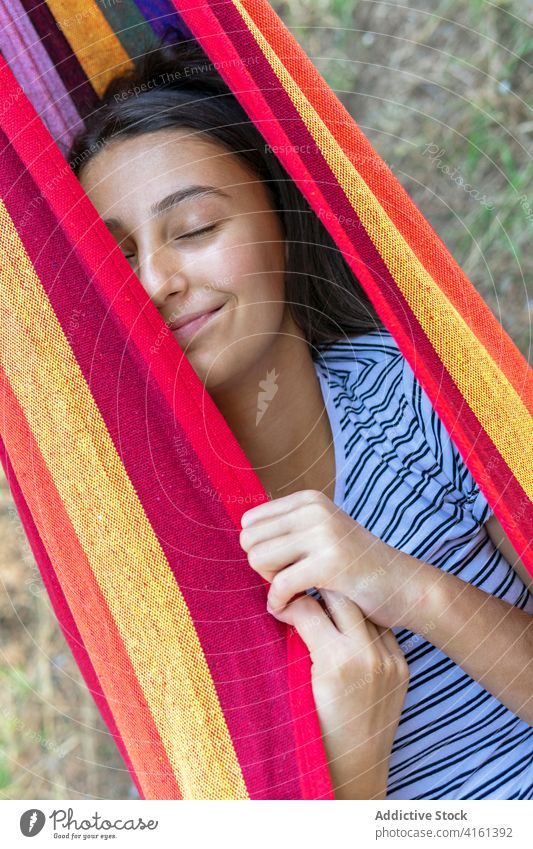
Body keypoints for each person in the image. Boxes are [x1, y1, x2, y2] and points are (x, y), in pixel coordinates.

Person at [68, 34, 533, 800]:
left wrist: (413, 591)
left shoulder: (411, 388)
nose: (156, 280)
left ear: (276, 219)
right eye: (118, 260)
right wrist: (352, 754)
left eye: (193, 230)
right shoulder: (146, 552)